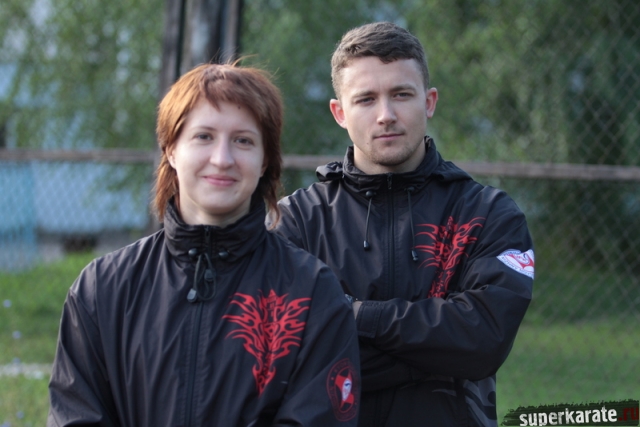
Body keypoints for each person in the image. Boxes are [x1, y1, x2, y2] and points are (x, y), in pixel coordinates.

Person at [47, 63, 360, 426]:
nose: (222, 159)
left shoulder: (311, 293)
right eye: (203, 137)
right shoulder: (102, 289)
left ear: (264, 161)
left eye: (243, 141)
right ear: (171, 149)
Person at [273, 22, 534, 427]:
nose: (386, 115)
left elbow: (482, 340)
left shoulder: (486, 214)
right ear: (339, 112)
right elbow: (283, 358)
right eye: (366, 99)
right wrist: (433, 354)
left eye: (401, 94)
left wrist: (354, 315)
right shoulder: (296, 221)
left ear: (429, 102)